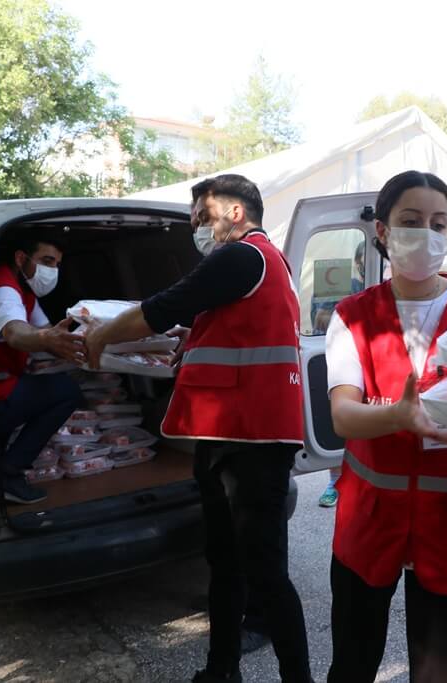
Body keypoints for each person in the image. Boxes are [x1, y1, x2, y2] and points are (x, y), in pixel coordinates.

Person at [84, 174, 312, 683]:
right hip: (226, 436)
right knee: (225, 561)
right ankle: (220, 669)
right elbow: (231, 329)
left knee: (265, 571)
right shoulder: (260, 267)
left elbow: (163, 306)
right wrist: (194, 334)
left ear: (235, 213)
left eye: (202, 218)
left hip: (254, 439)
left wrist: (104, 332)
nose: (197, 231)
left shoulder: (244, 256)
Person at [324, 171, 447, 683]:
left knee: (441, 673)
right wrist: (397, 416)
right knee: (352, 664)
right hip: (372, 522)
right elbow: (344, 415)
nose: (426, 234)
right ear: (382, 231)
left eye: (439, 223)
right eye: (411, 222)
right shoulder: (354, 316)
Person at [0, 235, 83, 504]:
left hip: (6, 384)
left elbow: (44, 331)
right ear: (21, 259)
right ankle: (10, 472)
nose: (52, 270)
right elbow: (16, 333)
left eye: (56, 264)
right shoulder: (4, 288)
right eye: (46, 261)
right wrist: (48, 341)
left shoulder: (25, 291)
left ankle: (0, 467)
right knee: (67, 391)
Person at [318, 244, 367, 508]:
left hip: (369, 361)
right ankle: (334, 482)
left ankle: (355, 479)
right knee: (338, 422)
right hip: (341, 358)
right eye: (361, 260)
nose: (364, 264)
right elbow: (320, 318)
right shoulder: (343, 283)